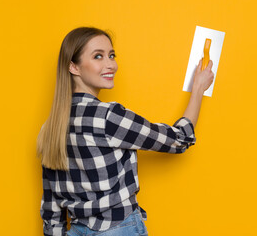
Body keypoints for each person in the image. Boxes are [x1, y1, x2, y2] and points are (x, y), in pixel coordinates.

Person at [37, 27, 214, 236]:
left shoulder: (50, 127)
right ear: (73, 67)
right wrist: (198, 90)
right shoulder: (108, 117)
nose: (110, 64)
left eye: (111, 55)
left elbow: (52, 208)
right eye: (98, 56)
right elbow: (178, 139)